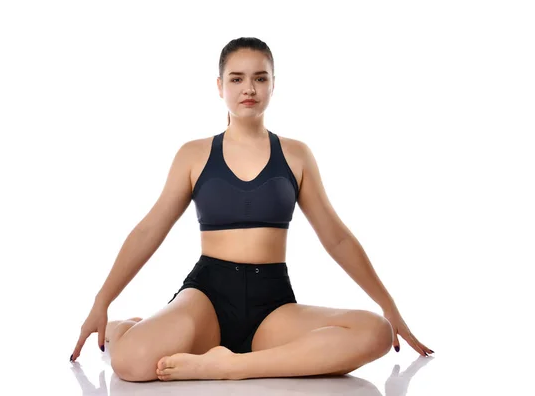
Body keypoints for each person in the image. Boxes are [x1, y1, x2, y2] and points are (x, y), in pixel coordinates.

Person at [69, 37, 434, 382]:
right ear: (219, 86)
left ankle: (232, 366)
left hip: (271, 304)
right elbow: (150, 230)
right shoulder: (193, 155)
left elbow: (336, 238)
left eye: (260, 78)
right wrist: (102, 301)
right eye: (237, 78)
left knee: (376, 333)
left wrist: (389, 305)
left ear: (273, 85)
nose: (249, 88)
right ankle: (124, 327)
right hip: (207, 296)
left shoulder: (296, 155)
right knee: (130, 362)